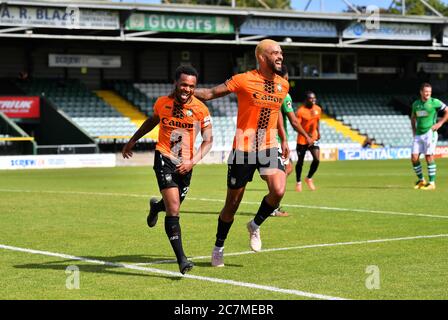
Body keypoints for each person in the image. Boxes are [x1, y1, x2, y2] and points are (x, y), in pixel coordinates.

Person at [194, 39, 290, 267]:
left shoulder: (283, 85)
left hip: (268, 145)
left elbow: (276, 114)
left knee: (278, 190)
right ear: (261, 56)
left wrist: (284, 139)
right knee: (232, 205)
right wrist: (184, 91)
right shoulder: (243, 80)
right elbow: (208, 94)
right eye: (275, 52)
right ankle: (218, 247)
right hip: (243, 148)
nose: (280, 56)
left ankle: (255, 225)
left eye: (281, 53)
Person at [122, 65, 213, 274]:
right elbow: (151, 121)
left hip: (186, 164)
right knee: (174, 208)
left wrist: (192, 162)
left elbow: (208, 141)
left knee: (173, 203)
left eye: (191, 86)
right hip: (164, 157)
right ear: (176, 83)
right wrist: (132, 141)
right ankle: (182, 259)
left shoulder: (201, 109)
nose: (187, 89)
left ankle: (155, 207)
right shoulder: (162, 103)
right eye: (183, 84)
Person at [271, 65, 313, 216]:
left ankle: (273, 204)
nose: (288, 82)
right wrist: (307, 136)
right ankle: (273, 206)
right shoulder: (284, 95)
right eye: (287, 79)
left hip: (266, 139)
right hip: (276, 140)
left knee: (285, 170)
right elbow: (294, 122)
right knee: (284, 171)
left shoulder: (267, 93)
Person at [411, 82, 448, 190]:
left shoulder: (434, 102)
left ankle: (432, 183)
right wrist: (413, 130)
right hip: (418, 134)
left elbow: (447, 111)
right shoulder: (415, 104)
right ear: (421, 92)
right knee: (414, 158)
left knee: (428, 156)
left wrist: (439, 123)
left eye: (429, 92)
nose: (428, 94)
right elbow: (413, 118)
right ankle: (422, 181)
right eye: (426, 92)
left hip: (430, 133)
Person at [295, 91, 321, 192]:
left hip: (313, 138)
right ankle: (298, 182)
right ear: (306, 100)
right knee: (300, 162)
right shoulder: (301, 111)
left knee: (317, 159)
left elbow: (317, 121)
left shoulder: (318, 109)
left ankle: (309, 178)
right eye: (311, 98)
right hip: (302, 140)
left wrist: (318, 132)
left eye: (314, 98)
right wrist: (306, 135)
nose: (313, 100)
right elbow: (297, 126)